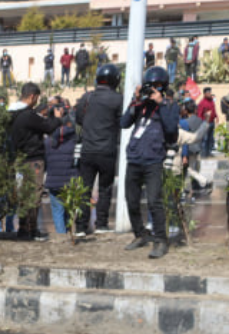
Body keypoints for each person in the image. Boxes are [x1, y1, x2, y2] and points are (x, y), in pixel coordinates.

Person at [121, 66, 179, 259]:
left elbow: (171, 129)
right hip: (135, 158)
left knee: (155, 201)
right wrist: (135, 100)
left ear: (163, 87)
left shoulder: (169, 105)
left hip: (153, 159)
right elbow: (124, 123)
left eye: (156, 87)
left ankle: (161, 240)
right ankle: (140, 234)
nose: (152, 90)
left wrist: (161, 103)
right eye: (150, 86)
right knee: (131, 200)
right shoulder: (141, 105)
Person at [7, 83, 63, 241]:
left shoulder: (12, 113)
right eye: (37, 98)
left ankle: (24, 229)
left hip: (19, 158)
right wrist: (58, 119)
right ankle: (30, 230)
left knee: (25, 196)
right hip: (33, 160)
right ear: (32, 96)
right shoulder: (28, 115)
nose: (37, 102)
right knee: (34, 195)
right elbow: (48, 127)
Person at [74, 63, 124, 235]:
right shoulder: (118, 99)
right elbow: (122, 122)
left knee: (84, 189)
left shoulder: (86, 97)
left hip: (87, 150)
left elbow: (79, 119)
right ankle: (101, 224)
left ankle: (81, 226)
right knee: (105, 189)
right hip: (107, 150)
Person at [197, 87, 218, 156]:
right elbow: (199, 114)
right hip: (205, 122)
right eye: (208, 93)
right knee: (205, 139)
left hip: (212, 122)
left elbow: (213, 110)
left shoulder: (212, 101)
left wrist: (216, 116)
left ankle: (209, 152)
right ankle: (203, 154)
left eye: (210, 93)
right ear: (205, 94)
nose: (209, 94)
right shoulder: (202, 103)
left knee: (210, 138)